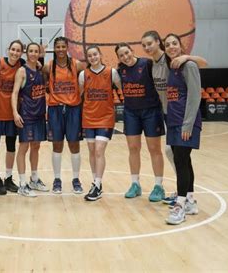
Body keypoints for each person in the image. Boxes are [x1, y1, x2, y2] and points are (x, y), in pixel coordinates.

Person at [141, 30, 207, 205]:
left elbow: (203, 64)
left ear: (157, 43)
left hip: (182, 116)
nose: (147, 47)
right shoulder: (150, 65)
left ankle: (183, 196)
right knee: (178, 156)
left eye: (150, 43)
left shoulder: (174, 61)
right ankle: (186, 195)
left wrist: (187, 57)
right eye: (144, 45)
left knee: (179, 157)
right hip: (168, 113)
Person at [116, 43, 166, 202]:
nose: (125, 57)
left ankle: (158, 186)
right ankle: (135, 184)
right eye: (121, 55)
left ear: (132, 51)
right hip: (131, 112)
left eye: (126, 53)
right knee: (133, 148)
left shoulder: (147, 64)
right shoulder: (120, 70)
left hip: (151, 111)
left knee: (154, 149)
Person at [163, 33, 202, 225]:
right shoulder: (172, 68)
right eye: (168, 44)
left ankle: (179, 206)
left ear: (180, 45)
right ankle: (191, 201)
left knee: (179, 160)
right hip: (174, 121)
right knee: (184, 160)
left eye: (174, 43)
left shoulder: (189, 66)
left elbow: (195, 96)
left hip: (185, 123)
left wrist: (187, 124)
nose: (171, 47)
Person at [42, 36, 86, 194]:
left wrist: (79, 96)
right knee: (57, 145)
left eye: (63, 46)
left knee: (74, 144)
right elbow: (39, 75)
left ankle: (75, 179)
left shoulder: (77, 64)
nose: (60, 49)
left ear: (67, 47)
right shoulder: (49, 66)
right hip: (55, 109)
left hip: (73, 108)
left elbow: (87, 80)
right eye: (57, 47)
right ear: (54, 48)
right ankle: (57, 179)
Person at [78, 46, 122, 201]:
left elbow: (122, 89)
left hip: (105, 117)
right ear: (87, 58)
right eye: (89, 56)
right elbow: (80, 93)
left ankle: (97, 184)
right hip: (89, 117)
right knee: (91, 152)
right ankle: (96, 182)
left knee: (98, 151)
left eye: (95, 54)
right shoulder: (84, 74)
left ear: (100, 55)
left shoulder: (112, 73)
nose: (93, 57)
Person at [11, 42, 48, 197]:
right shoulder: (22, 71)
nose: (33, 54)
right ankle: (22, 183)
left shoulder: (40, 69)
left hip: (39, 115)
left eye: (36, 51)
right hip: (26, 115)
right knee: (23, 148)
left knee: (36, 147)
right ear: (26, 53)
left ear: (39, 53)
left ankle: (34, 178)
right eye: (31, 51)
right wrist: (15, 113)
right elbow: (14, 93)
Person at [0, 40, 26, 195]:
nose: (15, 53)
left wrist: (40, 61)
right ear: (8, 50)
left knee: (11, 147)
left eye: (18, 51)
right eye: (13, 49)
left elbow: (35, 66)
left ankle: (9, 178)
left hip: (12, 113)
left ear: (21, 53)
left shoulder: (22, 64)